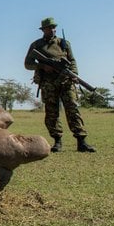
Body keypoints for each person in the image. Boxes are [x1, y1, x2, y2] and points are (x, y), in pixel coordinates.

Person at [24, 17, 96, 153]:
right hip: (48, 84)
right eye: (49, 28)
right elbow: (27, 64)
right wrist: (42, 66)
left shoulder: (64, 43)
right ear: (43, 30)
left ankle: (82, 142)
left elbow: (72, 60)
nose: (52, 29)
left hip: (66, 82)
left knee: (73, 110)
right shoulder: (36, 45)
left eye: (53, 27)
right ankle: (57, 142)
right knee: (52, 113)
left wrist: (74, 74)